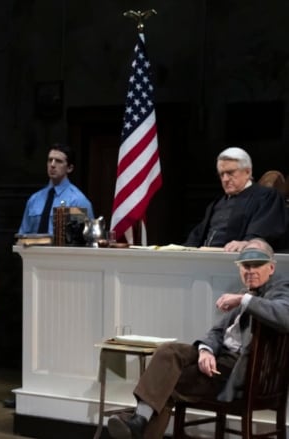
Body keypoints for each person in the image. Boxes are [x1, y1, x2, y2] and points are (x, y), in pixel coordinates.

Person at [107, 238, 289, 439]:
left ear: (271, 268)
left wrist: (243, 300)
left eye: (257, 265)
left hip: (240, 373)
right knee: (169, 351)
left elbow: (285, 315)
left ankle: (139, 420)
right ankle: (139, 422)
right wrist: (206, 350)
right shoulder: (245, 293)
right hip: (219, 361)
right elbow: (216, 332)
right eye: (246, 266)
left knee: (166, 384)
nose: (250, 271)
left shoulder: (279, 290)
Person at [183, 147, 287, 252]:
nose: (225, 179)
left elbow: (263, 231)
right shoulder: (217, 203)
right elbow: (196, 237)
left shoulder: (266, 196)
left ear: (247, 172)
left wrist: (248, 242)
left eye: (230, 173)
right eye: (221, 174)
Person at [17, 143, 94, 235]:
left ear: (69, 168)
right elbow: (22, 236)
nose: (52, 165)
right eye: (50, 160)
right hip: (34, 249)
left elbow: (84, 241)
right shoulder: (34, 199)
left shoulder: (77, 201)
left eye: (58, 161)